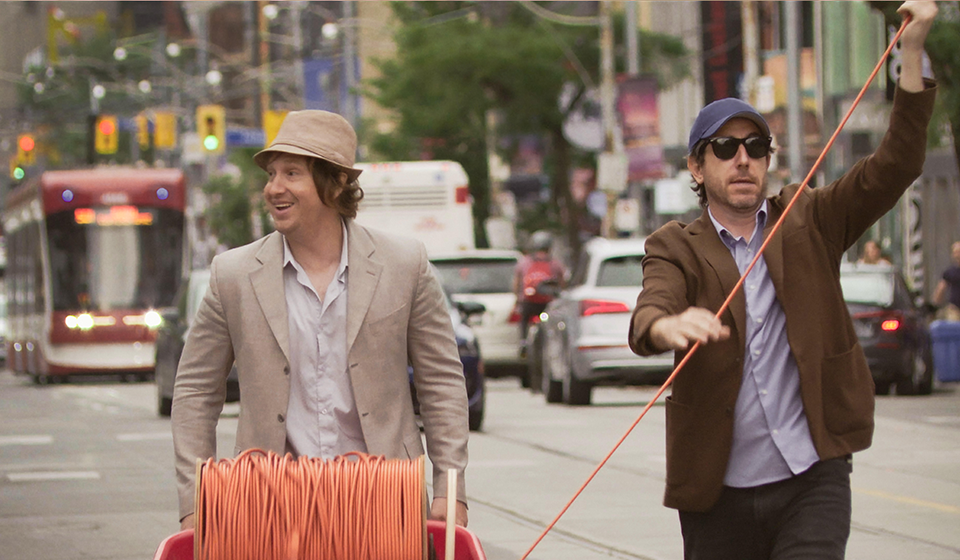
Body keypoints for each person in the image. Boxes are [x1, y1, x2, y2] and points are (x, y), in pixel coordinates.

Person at [627, 3, 937, 559]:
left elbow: (897, 163)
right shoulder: (674, 245)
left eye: (756, 147)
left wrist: (910, 51)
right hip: (715, 493)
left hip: (811, 475)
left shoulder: (811, 218)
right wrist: (669, 325)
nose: (742, 160)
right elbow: (650, 311)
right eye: (725, 148)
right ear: (697, 168)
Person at [171, 110, 470, 531]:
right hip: (271, 504)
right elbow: (194, 392)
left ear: (335, 182)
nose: (274, 188)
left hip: (384, 499)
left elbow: (441, 382)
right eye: (271, 174)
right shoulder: (232, 274)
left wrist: (449, 488)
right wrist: (194, 500)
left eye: (292, 173)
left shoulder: (405, 264)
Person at [513, 230, 567, 354]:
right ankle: (556, 345)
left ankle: (523, 341)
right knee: (555, 322)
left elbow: (517, 283)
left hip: (529, 302)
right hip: (547, 303)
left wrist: (518, 300)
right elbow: (562, 283)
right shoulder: (554, 263)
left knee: (524, 319)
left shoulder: (524, 262)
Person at [932, 240, 960, 321]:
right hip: (955, 310)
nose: (958, 255)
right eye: (956, 252)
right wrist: (935, 306)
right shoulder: (950, 272)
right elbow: (941, 288)